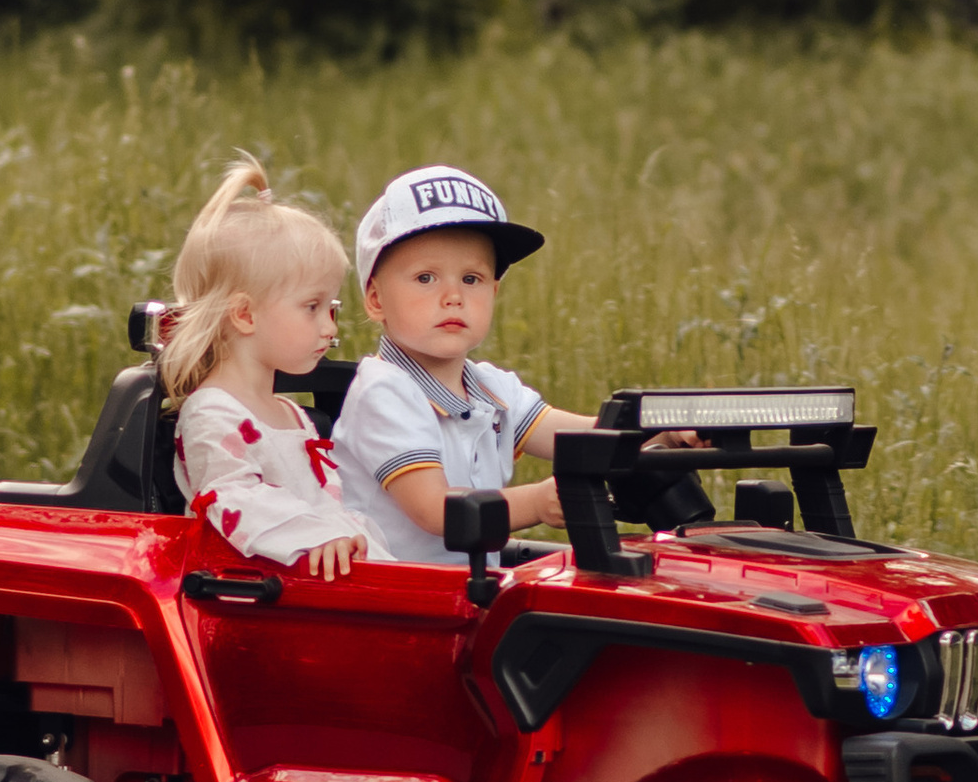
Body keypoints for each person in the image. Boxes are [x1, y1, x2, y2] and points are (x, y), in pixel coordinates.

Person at [331, 161, 695, 561]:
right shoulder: (385, 392)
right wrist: (536, 503)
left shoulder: (491, 388)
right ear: (376, 299)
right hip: (396, 603)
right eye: (425, 278)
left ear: (494, 291)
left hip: (474, 592)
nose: (453, 296)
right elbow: (435, 510)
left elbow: (591, 441)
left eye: (472, 279)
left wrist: (666, 433)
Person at [161, 157, 374, 577]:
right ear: (245, 314)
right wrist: (317, 536)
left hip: (316, 583)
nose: (330, 327)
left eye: (330, 308)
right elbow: (236, 498)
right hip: (256, 601)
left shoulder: (292, 414)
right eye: (312, 307)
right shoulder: (212, 414)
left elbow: (330, 505)